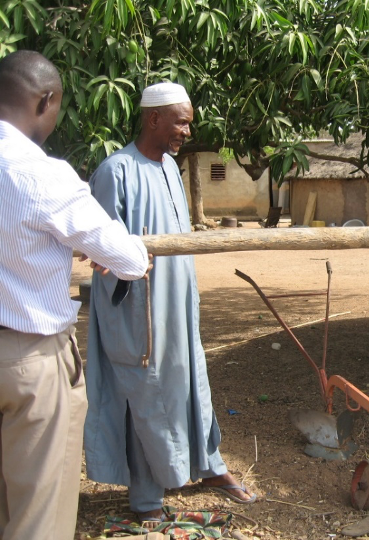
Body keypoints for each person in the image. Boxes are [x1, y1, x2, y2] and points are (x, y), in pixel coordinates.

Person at [84, 82, 256, 522]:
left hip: (178, 304)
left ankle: (207, 466)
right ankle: (146, 498)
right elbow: (103, 254)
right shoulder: (115, 171)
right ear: (153, 118)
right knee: (147, 394)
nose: (185, 131)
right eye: (180, 122)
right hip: (138, 312)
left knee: (188, 383)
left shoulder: (168, 169)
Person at [0, 50, 150, 540]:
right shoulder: (40, 174)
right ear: (46, 101)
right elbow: (129, 259)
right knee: (37, 512)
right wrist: (98, 247)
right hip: (28, 360)